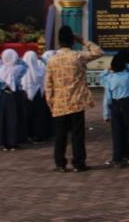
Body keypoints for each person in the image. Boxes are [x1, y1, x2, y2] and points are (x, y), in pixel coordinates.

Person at [44, 25, 104, 172]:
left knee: (60, 136)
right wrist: (82, 40)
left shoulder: (52, 60)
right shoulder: (77, 56)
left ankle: (60, 164)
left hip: (59, 103)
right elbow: (99, 52)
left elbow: (48, 84)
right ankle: (79, 163)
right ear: (72, 41)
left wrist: (51, 103)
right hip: (76, 102)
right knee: (77, 135)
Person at [0, 48, 27, 151]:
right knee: (14, 119)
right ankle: (14, 142)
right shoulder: (19, 68)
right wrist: (18, 60)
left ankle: (5, 143)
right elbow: (26, 66)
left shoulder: (0, 70)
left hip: (4, 96)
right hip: (14, 96)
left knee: (4, 119)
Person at [21, 51, 52, 143]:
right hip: (38, 94)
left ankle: (28, 135)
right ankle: (37, 135)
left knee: (28, 116)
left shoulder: (22, 69)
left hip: (26, 95)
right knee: (37, 117)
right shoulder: (39, 69)